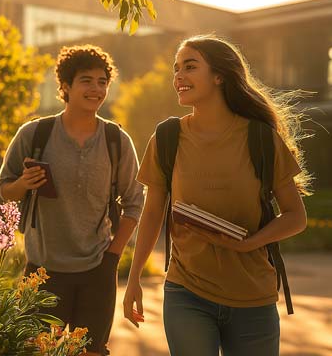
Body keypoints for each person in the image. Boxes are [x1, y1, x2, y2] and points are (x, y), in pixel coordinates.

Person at [122, 34, 310, 356]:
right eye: (176, 68)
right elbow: (152, 212)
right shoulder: (167, 138)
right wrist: (134, 278)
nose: (178, 76)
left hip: (253, 296)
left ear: (219, 76)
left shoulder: (260, 138)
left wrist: (251, 242)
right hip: (186, 292)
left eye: (190, 67)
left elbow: (296, 216)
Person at [0, 44, 144, 356]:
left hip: (97, 270)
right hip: (42, 269)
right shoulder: (34, 134)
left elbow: (134, 201)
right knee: (35, 350)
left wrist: (112, 257)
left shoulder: (117, 140)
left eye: (103, 81)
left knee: (90, 352)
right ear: (65, 87)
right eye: (87, 80)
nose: (97, 89)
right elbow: (4, 187)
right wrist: (23, 183)